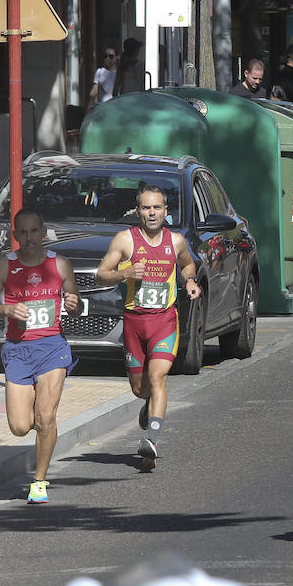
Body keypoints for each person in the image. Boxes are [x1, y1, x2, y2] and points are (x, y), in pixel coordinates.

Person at [94, 184, 202, 470]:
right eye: (146, 207)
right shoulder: (125, 240)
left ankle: (152, 440)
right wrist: (125, 273)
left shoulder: (176, 241)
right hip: (134, 322)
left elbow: (188, 265)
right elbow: (100, 276)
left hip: (164, 321)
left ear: (166, 211)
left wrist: (190, 281)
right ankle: (149, 404)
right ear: (138, 211)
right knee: (140, 389)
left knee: (158, 377)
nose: (151, 213)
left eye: (157, 208)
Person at [0, 209, 83, 502]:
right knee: (19, 426)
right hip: (18, 349)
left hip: (52, 347)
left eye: (33, 232)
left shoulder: (60, 264)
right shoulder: (5, 266)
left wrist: (74, 303)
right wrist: (6, 310)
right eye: (22, 233)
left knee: (46, 417)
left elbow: (74, 302)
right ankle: (38, 445)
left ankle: (39, 481)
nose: (29, 238)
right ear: (15, 236)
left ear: (43, 232)